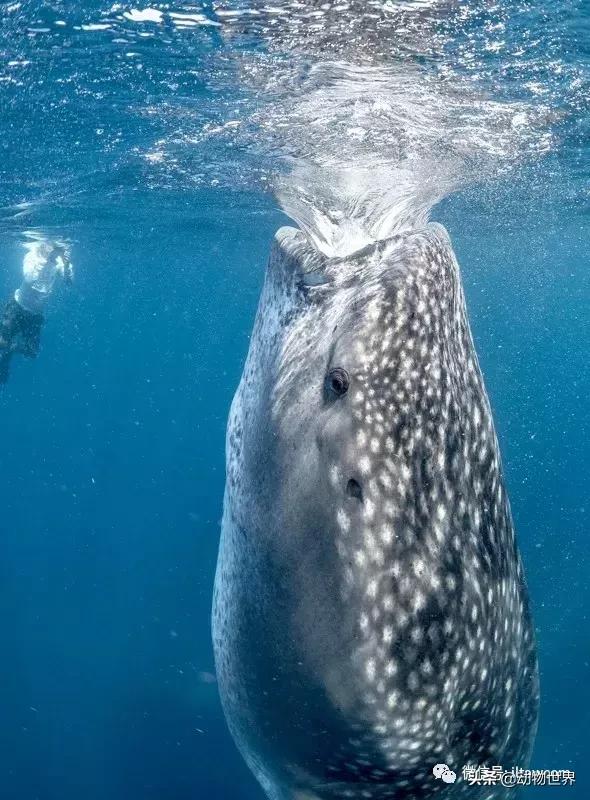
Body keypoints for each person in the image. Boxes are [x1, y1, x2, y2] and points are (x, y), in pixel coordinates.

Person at [0, 239, 73, 384]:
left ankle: (9, 351)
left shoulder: (59, 261)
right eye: (51, 246)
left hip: (35, 315)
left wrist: (66, 264)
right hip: (17, 307)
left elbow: (69, 282)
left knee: (32, 352)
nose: (53, 249)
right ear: (45, 244)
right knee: (1, 342)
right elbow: (29, 279)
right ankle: (5, 354)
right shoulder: (31, 255)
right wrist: (48, 261)